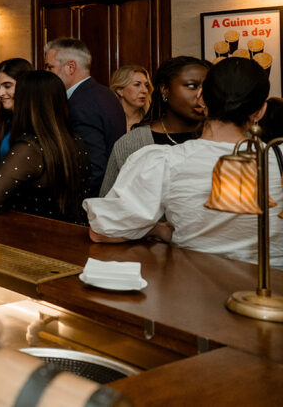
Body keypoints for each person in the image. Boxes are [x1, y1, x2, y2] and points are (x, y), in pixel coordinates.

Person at [86, 58, 283, 267]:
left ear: (202, 98)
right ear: (260, 111)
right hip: (270, 293)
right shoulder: (277, 156)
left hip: (194, 290)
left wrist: (159, 229)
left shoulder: (167, 161)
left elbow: (102, 230)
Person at [0, 71, 90, 223]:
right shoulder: (76, 140)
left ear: (26, 103)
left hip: (34, 239)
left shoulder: (31, 147)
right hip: (70, 236)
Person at [99, 57, 209, 196]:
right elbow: (108, 206)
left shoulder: (222, 137)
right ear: (165, 89)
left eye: (207, 87)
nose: (201, 95)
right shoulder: (132, 143)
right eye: (192, 86)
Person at [43, 38, 126, 199]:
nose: (46, 72)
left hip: (91, 203)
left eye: (50, 67)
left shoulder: (79, 105)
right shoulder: (105, 93)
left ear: (70, 67)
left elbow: (91, 167)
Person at [0, 58, 32, 164]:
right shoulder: (0, 122)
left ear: (25, 85)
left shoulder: (35, 122)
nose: (0, 93)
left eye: (7, 86)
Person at [109, 65, 152, 131]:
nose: (145, 90)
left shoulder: (152, 122)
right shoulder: (108, 121)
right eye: (137, 84)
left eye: (146, 85)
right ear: (120, 90)